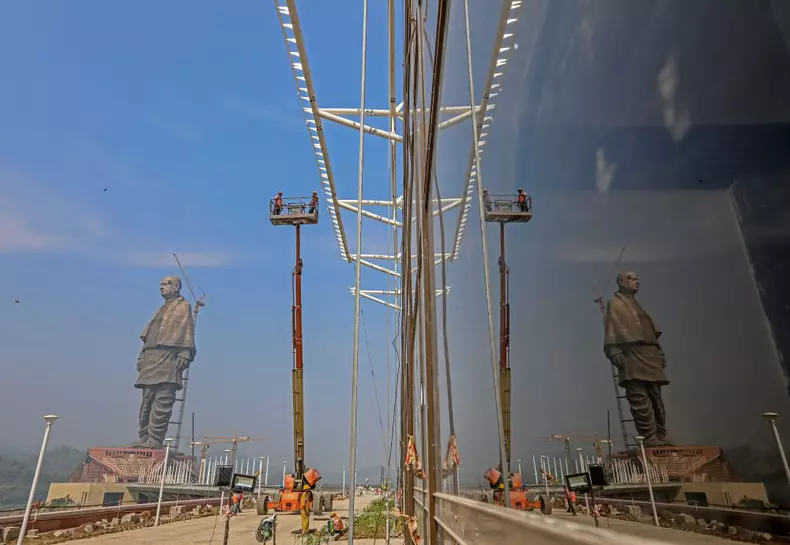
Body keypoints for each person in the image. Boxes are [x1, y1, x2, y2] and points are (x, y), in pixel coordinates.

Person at [135, 276, 196, 448]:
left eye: (166, 284)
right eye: (161, 284)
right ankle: (144, 438)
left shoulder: (183, 307)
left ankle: (155, 439)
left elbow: (187, 331)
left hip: (168, 357)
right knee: (146, 401)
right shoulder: (161, 309)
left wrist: (184, 353)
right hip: (151, 358)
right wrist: (142, 356)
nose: (162, 287)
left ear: (176, 287)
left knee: (163, 400)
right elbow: (149, 335)